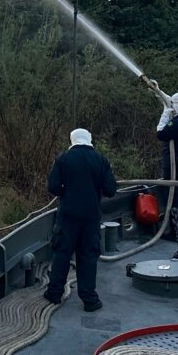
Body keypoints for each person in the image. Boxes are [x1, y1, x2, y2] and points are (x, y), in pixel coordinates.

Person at [44, 128, 118, 312]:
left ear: (73, 140)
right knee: (88, 256)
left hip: (68, 215)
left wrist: (66, 191)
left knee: (62, 253)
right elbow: (110, 189)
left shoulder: (63, 159)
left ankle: (54, 294)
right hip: (91, 217)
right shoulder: (101, 160)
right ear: (89, 139)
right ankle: (90, 300)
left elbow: (53, 187)